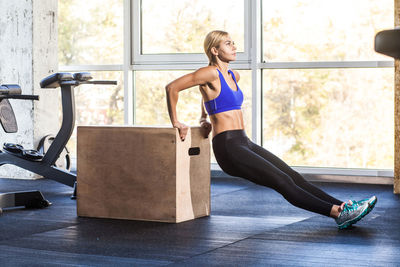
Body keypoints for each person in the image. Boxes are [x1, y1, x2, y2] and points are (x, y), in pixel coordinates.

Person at [165, 30, 377, 229]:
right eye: (228, 43)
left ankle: (345, 207)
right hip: (228, 146)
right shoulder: (209, 72)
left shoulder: (233, 76)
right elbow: (172, 87)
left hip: (242, 141)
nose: (234, 46)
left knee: (293, 176)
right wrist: (176, 121)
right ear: (214, 50)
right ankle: (337, 214)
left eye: (233, 43)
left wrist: (204, 117)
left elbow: (207, 96)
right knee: (282, 181)